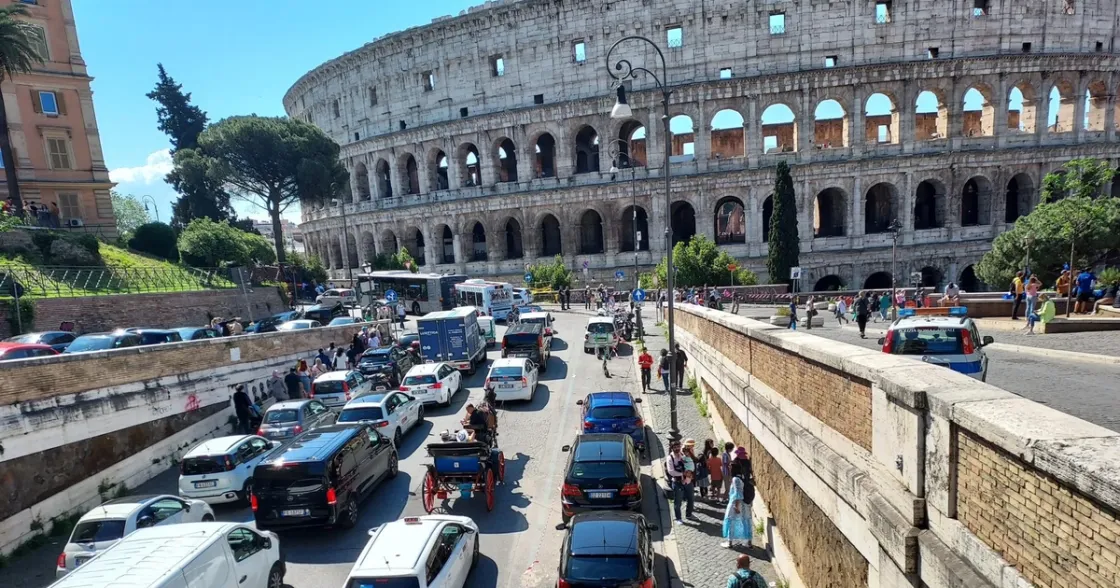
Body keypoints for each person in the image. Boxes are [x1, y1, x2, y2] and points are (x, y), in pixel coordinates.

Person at [665, 440, 695, 522]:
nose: (677, 448)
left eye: (678, 446)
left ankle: (689, 514)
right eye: (675, 447)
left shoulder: (682, 454)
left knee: (691, 498)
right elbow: (671, 471)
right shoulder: (670, 458)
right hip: (677, 482)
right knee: (678, 501)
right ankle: (678, 518)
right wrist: (682, 474)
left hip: (687, 480)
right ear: (672, 448)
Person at [721, 477, 754, 550]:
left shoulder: (736, 479)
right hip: (745, 505)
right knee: (746, 522)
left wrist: (736, 506)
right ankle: (749, 542)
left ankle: (730, 542)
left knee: (731, 522)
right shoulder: (746, 477)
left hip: (736, 503)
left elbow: (738, 493)